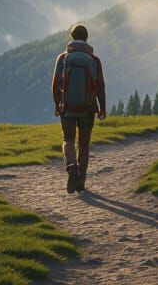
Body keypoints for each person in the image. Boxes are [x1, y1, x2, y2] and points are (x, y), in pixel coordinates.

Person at [51, 22, 106, 193]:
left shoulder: (63, 58)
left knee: (68, 139)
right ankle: (81, 179)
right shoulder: (94, 60)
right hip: (88, 108)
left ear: (72, 38)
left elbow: (55, 84)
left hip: (67, 107)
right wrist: (102, 108)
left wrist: (57, 103)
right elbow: (100, 86)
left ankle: (72, 168)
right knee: (83, 144)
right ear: (86, 39)